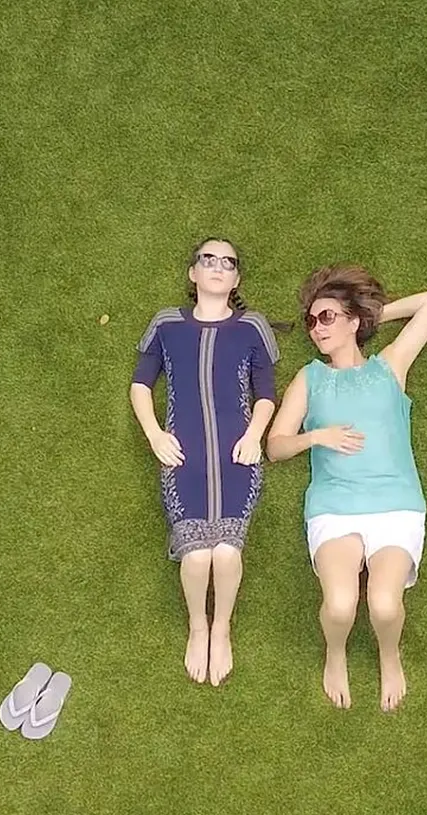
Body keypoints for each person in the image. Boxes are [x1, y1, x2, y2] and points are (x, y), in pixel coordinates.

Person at [266, 265, 427, 711]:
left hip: (395, 506)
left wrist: (368, 317)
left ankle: (390, 654)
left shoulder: (391, 367)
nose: (315, 329)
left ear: (351, 321)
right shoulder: (310, 378)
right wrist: (316, 437)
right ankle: (336, 653)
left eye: (326, 317)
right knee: (342, 605)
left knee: (384, 606)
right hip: (336, 508)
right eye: (310, 321)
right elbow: (275, 446)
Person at [130, 238, 281, 686]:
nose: (217, 267)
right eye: (208, 260)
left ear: (235, 279)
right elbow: (141, 385)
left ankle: (223, 627)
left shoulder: (252, 327)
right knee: (197, 560)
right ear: (193, 273)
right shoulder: (167, 324)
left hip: (239, 459)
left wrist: (255, 436)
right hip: (184, 458)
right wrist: (155, 434)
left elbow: (267, 394)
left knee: (228, 553)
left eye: (227, 263)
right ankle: (199, 627)